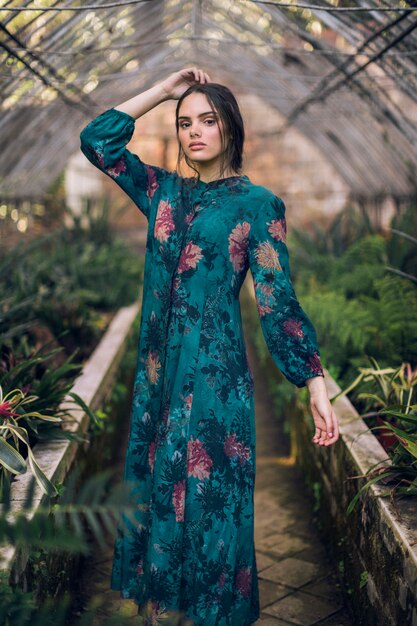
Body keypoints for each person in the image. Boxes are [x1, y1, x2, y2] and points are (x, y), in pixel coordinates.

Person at [79, 67, 340, 626]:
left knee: (210, 511)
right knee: (156, 503)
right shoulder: (160, 193)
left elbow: (280, 304)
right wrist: (162, 92)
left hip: (217, 388)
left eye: (207, 120)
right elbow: (96, 141)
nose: (194, 131)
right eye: (184, 122)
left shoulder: (258, 206)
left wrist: (315, 382)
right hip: (158, 385)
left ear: (230, 129)